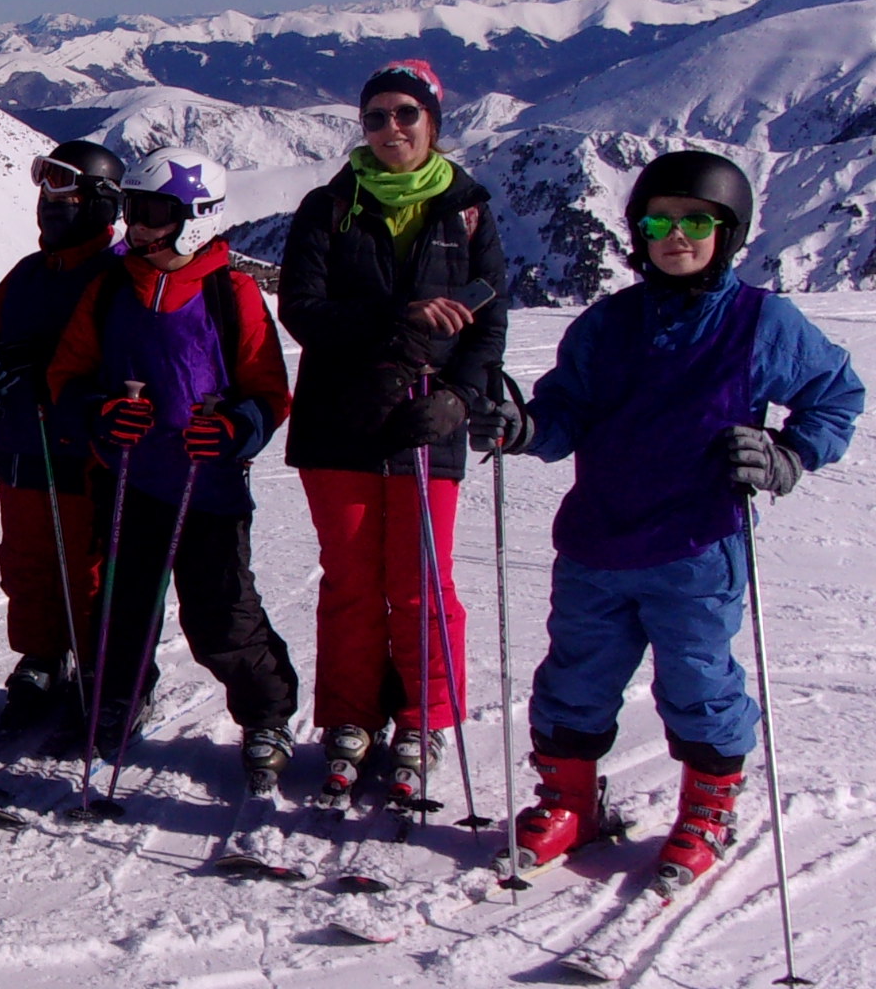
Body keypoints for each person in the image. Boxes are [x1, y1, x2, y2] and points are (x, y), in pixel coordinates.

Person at [474, 150, 861, 884]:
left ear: (728, 232)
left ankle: (707, 809)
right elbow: (565, 412)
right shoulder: (607, 324)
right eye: (658, 222)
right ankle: (570, 803)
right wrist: (525, 428)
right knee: (576, 677)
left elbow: (835, 394)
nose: (675, 235)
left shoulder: (761, 322)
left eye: (696, 222)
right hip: (596, 541)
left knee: (697, 681)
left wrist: (787, 455)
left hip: (697, 544)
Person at [277, 61, 510, 805]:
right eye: (375, 117)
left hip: (426, 422)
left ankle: (423, 717)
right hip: (339, 422)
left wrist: (460, 399)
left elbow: (489, 324)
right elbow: (301, 310)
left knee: (421, 583)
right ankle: (350, 715)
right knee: (350, 581)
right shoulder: (330, 206)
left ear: (432, 121)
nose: (390, 129)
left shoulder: (467, 209)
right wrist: (396, 316)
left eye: (406, 113)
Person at [45, 152, 302, 788]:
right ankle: (118, 697)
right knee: (123, 604)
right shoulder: (111, 288)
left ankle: (266, 715)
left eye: (155, 212)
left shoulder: (230, 293)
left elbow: (269, 390)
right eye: (133, 208)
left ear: (196, 218)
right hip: (129, 479)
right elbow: (67, 375)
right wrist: (100, 413)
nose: (138, 225)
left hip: (207, 487)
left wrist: (236, 428)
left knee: (221, 615)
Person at [0, 141, 124, 734]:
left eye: (64, 188)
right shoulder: (28, 274)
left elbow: (129, 359)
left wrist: (51, 370)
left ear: (99, 201)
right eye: (44, 188)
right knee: (26, 561)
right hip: (20, 446)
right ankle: (41, 655)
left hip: (83, 452)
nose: (48, 202)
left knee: (87, 567)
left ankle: (101, 667)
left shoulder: (118, 276)